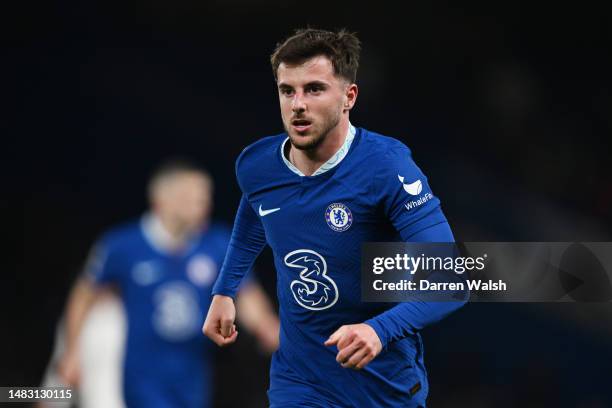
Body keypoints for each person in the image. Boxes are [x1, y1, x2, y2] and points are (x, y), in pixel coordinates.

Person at [203, 28, 466, 407]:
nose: (297, 104)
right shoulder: (257, 165)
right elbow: (253, 215)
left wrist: (379, 331)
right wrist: (225, 289)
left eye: (314, 89)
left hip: (382, 383)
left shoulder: (386, 167)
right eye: (287, 90)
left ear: (349, 97)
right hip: (300, 380)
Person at [56, 160, 279, 408]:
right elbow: (85, 293)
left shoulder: (218, 244)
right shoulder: (122, 245)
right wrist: (73, 350)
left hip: (192, 372)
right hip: (139, 373)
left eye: (205, 196)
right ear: (162, 200)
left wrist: (266, 325)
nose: (204, 203)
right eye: (193, 197)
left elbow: (245, 294)